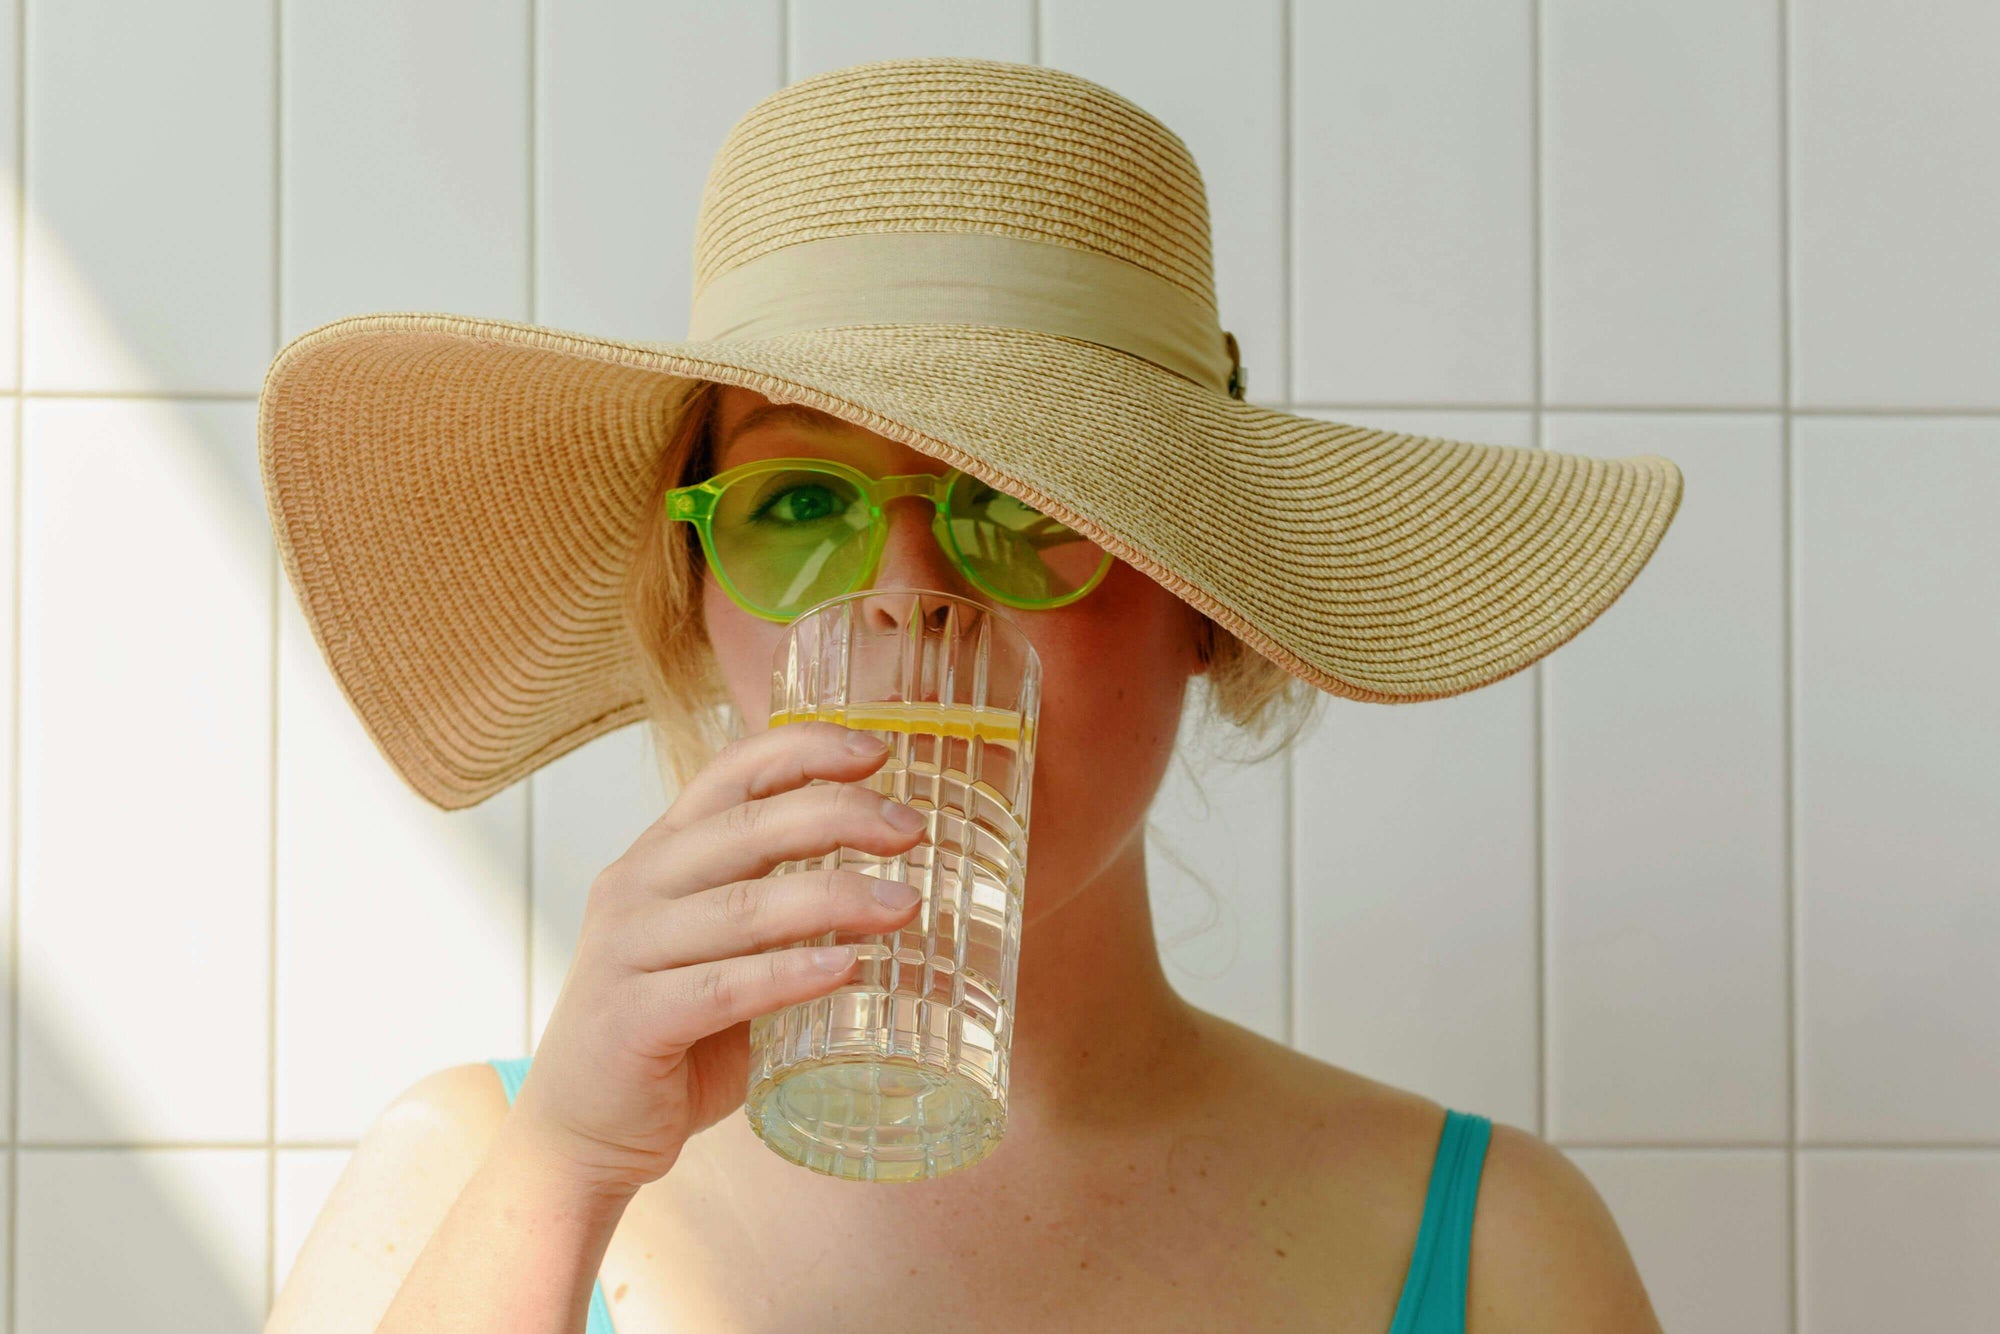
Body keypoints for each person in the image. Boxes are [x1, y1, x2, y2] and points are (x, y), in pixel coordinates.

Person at [257, 56, 1677, 1333]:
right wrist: (566, 1172)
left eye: (1020, 498)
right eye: (798, 500)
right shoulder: (467, 1175)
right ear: (697, 596)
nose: (907, 594)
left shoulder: (1498, 1250)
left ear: (1204, 601)